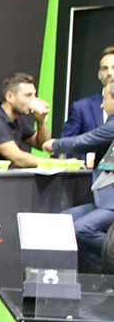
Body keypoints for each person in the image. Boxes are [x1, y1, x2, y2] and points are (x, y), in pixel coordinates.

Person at [42, 82, 114, 273]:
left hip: (111, 203)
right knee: (62, 223)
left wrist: (56, 145)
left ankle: (110, 256)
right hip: (105, 200)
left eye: (105, 99)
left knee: (80, 230)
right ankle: (101, 275)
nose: (101, 105)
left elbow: (86, 140)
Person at [0, 72, 51, 168]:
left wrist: (41, 121)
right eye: (28, 95)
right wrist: (57, 164)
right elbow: (18, 158)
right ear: (9, 97)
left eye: (34, 95)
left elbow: (44, 145)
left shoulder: (18, 121)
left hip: (7, 176)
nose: (34, 100)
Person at [61, 46, 114, 138]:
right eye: (105, 68)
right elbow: (65, 144)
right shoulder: (82, 108)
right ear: (99, 74)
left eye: (113, 67)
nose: (109, 73)